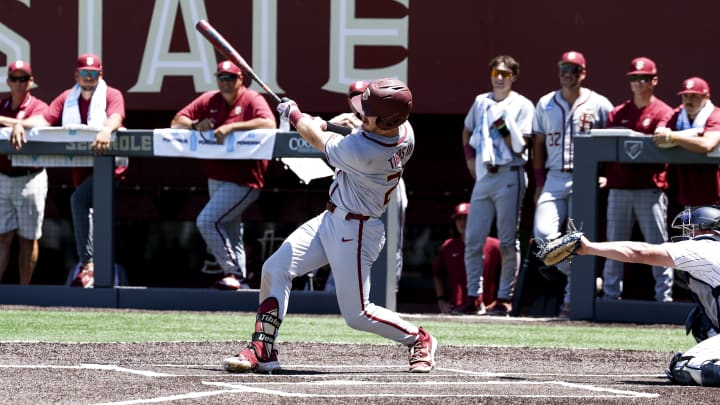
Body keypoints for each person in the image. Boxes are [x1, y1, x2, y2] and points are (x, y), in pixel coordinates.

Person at [221, 78, 437, 374]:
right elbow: (363, 130)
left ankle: (419, 338)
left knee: (358, 315)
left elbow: (315, 138)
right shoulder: (404, 130)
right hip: (330, 219)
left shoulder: (364, 151)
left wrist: (295, 114)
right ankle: (263, 347)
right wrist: (341, 125)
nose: (363, 113)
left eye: (369, 111)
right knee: (275, 269)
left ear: (387, 119)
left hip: (357, 231)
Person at [11, 53, 126, 288]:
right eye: (84, 73)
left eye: (93, 74)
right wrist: (19, 123)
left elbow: (116, 116)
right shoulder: (68, 97)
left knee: (79, 202)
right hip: (83, 167)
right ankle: (94, 268)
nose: (89, 78)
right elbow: (45, 119)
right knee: (89, 209)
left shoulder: (111, 94)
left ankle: (89, 266)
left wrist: (106, 130)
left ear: (100, 75)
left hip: (110, 166)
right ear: (77, 75)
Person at [576, 205, 720, 386]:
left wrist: (589, 248)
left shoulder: (704, 246)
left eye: (692, 229)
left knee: (684, 366)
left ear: (709, 229)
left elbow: (640, 252)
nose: (688, 234)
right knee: (700, 320)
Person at [171, 60, 276, 290]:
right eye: (221, 77)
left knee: (206, 221)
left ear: (240, 80)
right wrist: (196, 124)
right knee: (230, 227)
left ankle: (232, 272)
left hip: (245, 179)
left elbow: (269, 124)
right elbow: (177, 121)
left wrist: (232, 127)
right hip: (216, 176)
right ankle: (241, 281)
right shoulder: (210, 99)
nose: (225, 82)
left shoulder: (252, 99)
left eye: (230, 78)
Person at [532, 50, 613, 317]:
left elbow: (610, 142)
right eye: (564, 68)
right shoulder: (545, 103)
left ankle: (571, 301)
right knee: (544, 235)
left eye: (574, 69)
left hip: (584, 175)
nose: (568, 73)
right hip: (555, 174)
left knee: (578, 235)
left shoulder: (599, 103)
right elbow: (539, 144)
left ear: (583, 72)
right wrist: (539, 183)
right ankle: (584, 281)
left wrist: (606, 173)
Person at [460, 55, 534, 316]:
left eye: (505, 73)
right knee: (472, 239)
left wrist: (502, 127)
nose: (500, 78)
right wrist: (471, 161)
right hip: (484, 174)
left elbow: (522, 144)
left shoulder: (523, 105)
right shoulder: (481, 101)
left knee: (506, 240)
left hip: (509, 173)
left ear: (513, 76)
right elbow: (467, 131)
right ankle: (473, 296)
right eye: (495, 73)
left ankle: (504, 297)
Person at [600, 57, 674, 302]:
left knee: (657, 246)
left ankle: (664, 298)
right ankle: (611, 297)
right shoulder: (618, 112)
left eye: (643, 78)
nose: (638, 83)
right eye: (633, 78)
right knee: (614, 245)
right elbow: (605, 148)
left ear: (654, 80)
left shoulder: (664, 112)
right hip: (619, 187)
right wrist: (605, 176)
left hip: (649, 189)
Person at [329, 80, 409, 291]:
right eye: (354, 94)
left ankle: (390, 291)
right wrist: (332, 124)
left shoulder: (389, 125)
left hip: (386, 189)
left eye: (362, 94)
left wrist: (347, 130)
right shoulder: (351, 120)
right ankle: (340, 290)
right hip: (358, 193)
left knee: (393, 243)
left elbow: (362, 145)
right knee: (341, 239)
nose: (358, 99)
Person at [0, 61, 49, 285]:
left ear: (31, 82)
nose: (19, 84)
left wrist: (17, 124)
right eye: (15, 79)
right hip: (3, 177)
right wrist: (16, 123)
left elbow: (43, 120)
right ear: (8, 81)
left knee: (28, 239)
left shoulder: (38, 106)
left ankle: (24, 291)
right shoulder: (2, 104)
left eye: (23, 79)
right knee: (2, 237)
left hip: (31, 178)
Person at [653, 78, 720, 210]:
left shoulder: (715, 115)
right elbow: (659, 135)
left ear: (706, 97)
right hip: (687, 195)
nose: (688, 100)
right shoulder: (678, 113)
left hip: (714, 194)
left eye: (694, 96)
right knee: (690, 231)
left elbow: (707, 144)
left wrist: (673, 137)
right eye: (685, 96)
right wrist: (694, 134)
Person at [433, 202, 501, 313]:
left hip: (487, 310)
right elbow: (437, 274)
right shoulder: (448, 246)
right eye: (458, 218)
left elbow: (509, 273)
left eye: (466, 218)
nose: (462, 223)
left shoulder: (494, 246)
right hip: (456, 309)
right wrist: (441, 301)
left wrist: (499, 302)